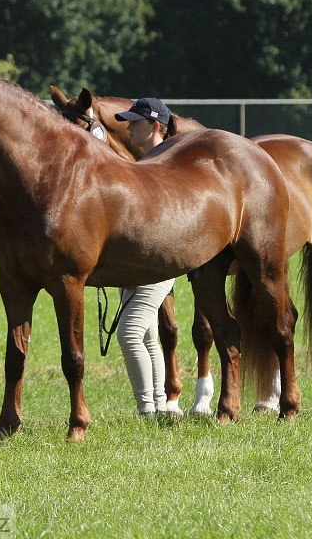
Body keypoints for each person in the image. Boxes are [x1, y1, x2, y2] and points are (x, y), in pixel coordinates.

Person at [114, 98, 180, 416]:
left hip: (156, 262)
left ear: (154, 126)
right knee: (148, 334)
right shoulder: (147, 162)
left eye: (134, 123)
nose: (128, 127)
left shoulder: (163, 163)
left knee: (129, 333)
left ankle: (147, 411)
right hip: (138, 263)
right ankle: (157, 407)